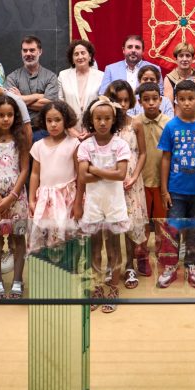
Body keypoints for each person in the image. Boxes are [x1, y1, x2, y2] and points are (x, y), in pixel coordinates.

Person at [74, 96, 131, 312]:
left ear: (113, 120)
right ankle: (96, 287)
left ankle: (114, 287)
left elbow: (121, 175)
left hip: (115, 203)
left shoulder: (120, 145)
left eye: (107, 118)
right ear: (91, 119)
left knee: (114, 246)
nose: (103, 122)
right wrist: (108, 173)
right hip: (94, 204)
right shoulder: (85, 146)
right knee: (94, 247)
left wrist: (96, 170)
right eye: (98, 118)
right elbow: (82, 177)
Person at [156, 80, 195, 289]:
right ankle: (170, 267)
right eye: (183, 99)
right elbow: (165, 158)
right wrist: (164, 189)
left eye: (191, 99)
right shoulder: (171, 126)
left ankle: (191, 265)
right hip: (176, 190)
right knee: (172, 229)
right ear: (176, 101)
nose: (187, 103)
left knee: (193, 230)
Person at [0, 95, 30, 300]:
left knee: (19, 238)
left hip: (17, 196)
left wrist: (11, 197)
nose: (6, 119)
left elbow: (25, 169)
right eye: (1, 115)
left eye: (10, 115)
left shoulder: (21, 139)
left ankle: (17, 280)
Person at [107, 81, 149, 290]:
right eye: (117, 100)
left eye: (125, 100)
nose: (122, 104)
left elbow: (142, 153)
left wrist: (134, 177)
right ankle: (111, 264)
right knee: (111, 225)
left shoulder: (136, 124)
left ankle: (130, 265)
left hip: (131, 180)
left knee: (131, 224)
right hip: (110, 179)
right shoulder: (105, 124)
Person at [28, 101, 79, 255]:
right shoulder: (39, 145)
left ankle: (69, 271)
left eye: (57, 120)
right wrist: (31, 199)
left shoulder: (73, 143)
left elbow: (79, 174)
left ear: (66, 120)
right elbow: (35, 174)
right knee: (44, 236)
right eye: (49, 121)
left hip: (67, 198)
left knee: (67, 236)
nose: (53, 124)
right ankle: (47, 273)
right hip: (45, 199)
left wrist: (79, 201)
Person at [135, 81, 170, 277]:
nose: (151, 103)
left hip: (162, 182)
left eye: (154, 99)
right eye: (146, 100)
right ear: (139, 102)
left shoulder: (168, 123)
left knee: (161, 221)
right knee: (142, 222)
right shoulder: (135, 123)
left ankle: (163, 252)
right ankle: (141, 256)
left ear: (160, 100)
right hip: (141, 181)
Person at [6, 35, 59, 126]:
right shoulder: (12, 77)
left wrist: (20, 99)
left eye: (32, 50)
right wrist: (39, 96)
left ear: (40, 51)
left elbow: (49, 105)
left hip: (44, 130)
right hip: (19, 130)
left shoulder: (51, 77)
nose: (28, 54)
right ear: (21, 52)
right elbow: (10, 104)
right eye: (25, 50)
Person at [57, 39, 103, 128]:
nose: (80, 57)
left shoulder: (101, 76)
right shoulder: (63, 76)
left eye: (83, 53)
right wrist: (70, 129)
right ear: (72, 59)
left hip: (94, 129)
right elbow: (60, 104)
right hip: (70, 128)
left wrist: (91, 131)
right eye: (76, 54)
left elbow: (103, 104)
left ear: (90, 57)